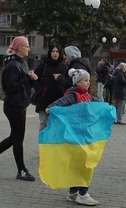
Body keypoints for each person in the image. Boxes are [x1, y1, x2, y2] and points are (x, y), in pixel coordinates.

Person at [0, 36, 37, 182]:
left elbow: (24, 83)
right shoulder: (12, 65)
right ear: (19, 48)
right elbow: (9, 87)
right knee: (18, 138)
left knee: (15, 137)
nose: (29, 49)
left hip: (20, 104)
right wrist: (26, 79)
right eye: (26, 46)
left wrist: (31, 79)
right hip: (14, 105)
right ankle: (21, 170)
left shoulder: (21, 63)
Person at [44, 68, 102, 206]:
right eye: (85, 80)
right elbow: (58, 103)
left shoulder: (86, 95)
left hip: (84, 136)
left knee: (78, 165)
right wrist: (50, 108)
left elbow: (96, 102)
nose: (88, 83)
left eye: (88, 80)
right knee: (85, 165)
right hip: (76, 137)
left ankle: (73, 192)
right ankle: (83, 193)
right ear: (77, 82)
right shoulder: (73, 95)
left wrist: (105, 107)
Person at [33, 41, 68, 131]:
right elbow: (34, 79)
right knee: (44, 125)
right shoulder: (44, 65)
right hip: (44, 100)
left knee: (57, 126)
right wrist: (41, 90)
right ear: (50, 53)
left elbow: (68, 83)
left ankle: (54, 145)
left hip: (59, 101)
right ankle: (43, 144)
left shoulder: (63, 66)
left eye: (57, 51)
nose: (55, 54)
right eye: (53, 51)